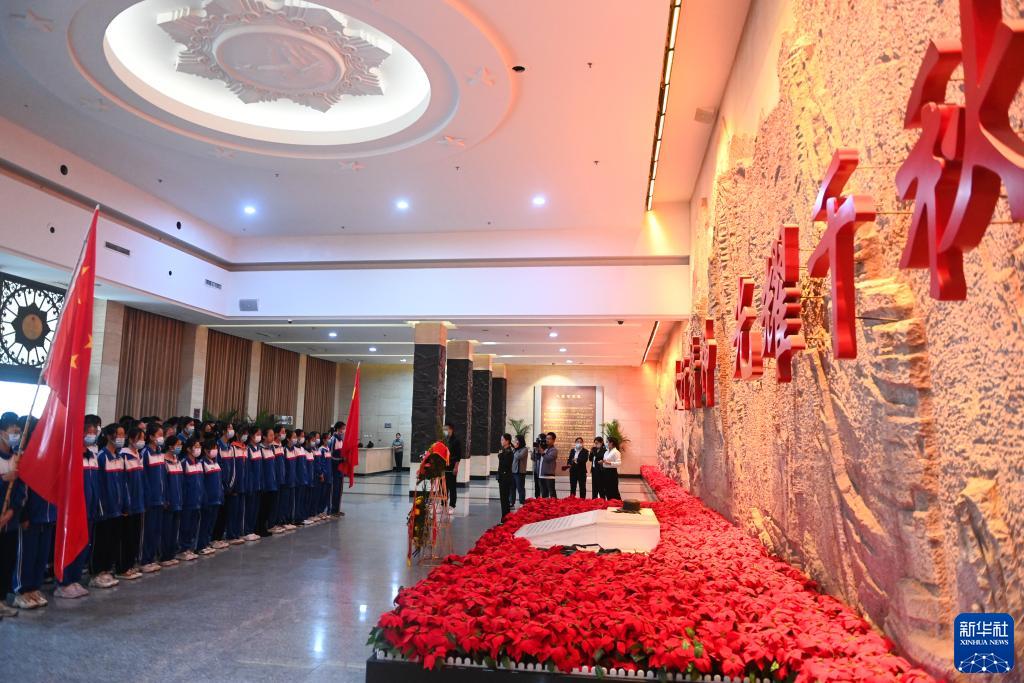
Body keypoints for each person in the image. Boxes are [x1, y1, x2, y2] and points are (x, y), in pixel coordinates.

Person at [55, 419, 101, 598]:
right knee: (71, 545)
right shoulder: (71, 455)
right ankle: (64, 582)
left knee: (83, 544)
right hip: (74, 509)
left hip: (89, 508)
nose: (92, 435)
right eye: (88, 432)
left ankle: (74, 579)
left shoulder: (92, 456)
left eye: (94, 432)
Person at [90, 426, 125, 588]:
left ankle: (106, 569)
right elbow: (99, 484)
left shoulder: (119, 457)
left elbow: (122, 482)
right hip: (105, 507)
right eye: (119, 434)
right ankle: (97, 572)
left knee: (113, 539)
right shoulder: (102, 456)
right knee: (101, 541)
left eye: (123, 434)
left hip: (117, 507)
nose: (122, 437)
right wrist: (101, 505)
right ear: (110, 436)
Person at [0, 415, 25, 616]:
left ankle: (1, 600)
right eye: (12, 431)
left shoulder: (17, 458)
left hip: (11, 521)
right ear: (2, 432)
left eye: (18, 431)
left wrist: (11, 511)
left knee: (6, 561)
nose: (15, 435)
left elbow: (21, 489)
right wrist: (3, 480)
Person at [117, 427, 147, 580]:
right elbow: (124, 482)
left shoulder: (138, 455)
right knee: (126, 536)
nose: (142, 441)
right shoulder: (124, 455)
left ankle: (130, 564)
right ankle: (122, 567)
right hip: (129, 503)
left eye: (143, 438)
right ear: (131, 439)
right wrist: (126, 502)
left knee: (135, 535)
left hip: (139, 502)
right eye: (139, 438)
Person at [138, 423, 166, 574]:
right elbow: (144, 478)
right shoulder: (145, 453)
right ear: (151, 437)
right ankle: (144, 560)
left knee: (156, 530)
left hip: (160, 498)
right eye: (159, 435)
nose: (162, 438)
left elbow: (163, 477)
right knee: (147, 531)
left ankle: (151, 558)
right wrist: (147, 497)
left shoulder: (160, 453)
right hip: (150, 499)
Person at [177, 437, 204, 560]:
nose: (198, 449)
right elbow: (182, 483)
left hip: (197, 500)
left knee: (193, 525)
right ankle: (182, 549)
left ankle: (189, 548)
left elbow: (201, 482)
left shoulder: (199, 463)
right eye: (196, 447)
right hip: (187, 501)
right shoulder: (183, 463)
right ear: (188, 449)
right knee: (185, 526)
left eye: (199, 446)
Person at [196, 438, 224, 556]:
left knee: (211, 523)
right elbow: (201, 483)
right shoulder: (202, 463)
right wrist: (204, 498)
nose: (215, 450)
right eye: (213, 448)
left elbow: (219, 481)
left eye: (216, 448)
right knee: (204, 523)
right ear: (206, 450)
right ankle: (200, 545)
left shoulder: (215, 462)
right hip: (208, 499)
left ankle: (207, 542)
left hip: (217, 498)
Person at [159, 437, 183, 567]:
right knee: (166, 530)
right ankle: (164, 556)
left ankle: (172, 554)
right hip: (169, 501)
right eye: (177, 445)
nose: (180, 447)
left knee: (175, 529)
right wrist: (165, 498)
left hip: (178, 500)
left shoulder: (177, 461)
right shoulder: (164, 461)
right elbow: (163, 482)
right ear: (170, 446)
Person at [328, 421, 346, 517]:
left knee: (339, 490)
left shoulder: (341, 440)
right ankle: (332, 510)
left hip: (341, 469)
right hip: (334, 469)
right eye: (342, 428)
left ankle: (337, 509)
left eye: (344, 428)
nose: (343, 430)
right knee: (334, 490)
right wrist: (340, 459)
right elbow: (330, 456)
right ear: (338, 429)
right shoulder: (333, 440)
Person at [443, 422, 462, 508]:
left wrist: (456, 467)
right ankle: (443, 504)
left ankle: (452, 505)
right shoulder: (444, 440)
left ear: (451, 429)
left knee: (452, 487)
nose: (445, 431)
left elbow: (458, 456)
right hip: (444, 467)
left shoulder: (456, 441)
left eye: (446, 429)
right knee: (444, 486)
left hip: (452, 466)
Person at [496, 433, 514, 521]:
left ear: (507, 441)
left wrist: (500, 456)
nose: (501, 441)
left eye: (502, 440)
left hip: (505, 477)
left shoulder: (509, 452)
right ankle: (505, 517)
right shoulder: (504, 451)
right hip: (502, 477)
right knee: (503, 499)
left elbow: (506, 465)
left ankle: (505, 518)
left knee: (504, 499)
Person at [538, 432, 559, 498]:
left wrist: (542, 452)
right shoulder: (544, 448)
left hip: (549, 475)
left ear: (553, 440)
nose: (547, 440)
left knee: (552, 493)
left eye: (549, 439)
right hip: (541, 474)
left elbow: (548, 458)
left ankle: (554, 504)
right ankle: (544, 504)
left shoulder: (554, 450)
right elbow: (534, 458)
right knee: (544, 493)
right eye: (546, 438)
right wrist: (536, 451)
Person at [510, 435, 528, 508]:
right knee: (512, 488)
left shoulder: (525, 449)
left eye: (517, 440)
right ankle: (511, 502)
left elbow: (518, 456)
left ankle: (522, 502)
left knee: (520, 488)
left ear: (520, 441)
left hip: (520, 472)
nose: (515, 441)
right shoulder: (515, 449)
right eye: (515, 440)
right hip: (513, 471)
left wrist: (515, 449)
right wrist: (515, 449)